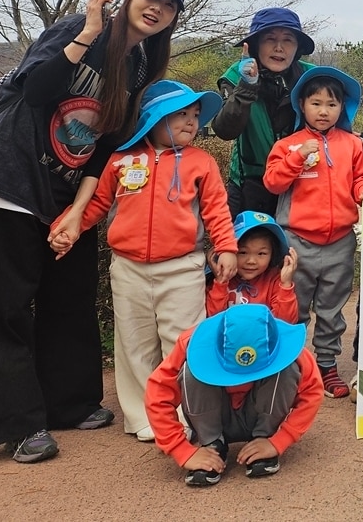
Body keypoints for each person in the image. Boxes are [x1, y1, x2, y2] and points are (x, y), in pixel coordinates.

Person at [0, 0, 184, 462]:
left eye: (169, 5)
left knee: (70, 295)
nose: (157, 8)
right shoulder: (79, 28)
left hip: (66, 192)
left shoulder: (141, 64)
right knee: (5, 304)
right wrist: (87, 33)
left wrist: (79, 213)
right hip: (9, 178)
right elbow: (35, 90)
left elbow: (105, 147)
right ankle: (17, 425)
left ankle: (68, 402)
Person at [49, 79, 239, 443]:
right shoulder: (121, 160)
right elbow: (96, 205)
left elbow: (217, 209)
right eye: (181, 114)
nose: (190, 122)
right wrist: (66, 230)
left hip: (182, 267)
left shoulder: (202, 162)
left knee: (182, 341)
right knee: (134, 343)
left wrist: (226, 246)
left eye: (195, 115)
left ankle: (186, 415)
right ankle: (142, 417)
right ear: (154, 118)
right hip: (128, 267)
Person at [263, 66, 363, 399]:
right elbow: (273, 182)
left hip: (340, 240)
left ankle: (327, 366)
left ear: (343, 108)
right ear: (301, 105)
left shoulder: (353, 144)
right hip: (296, 240)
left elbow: (360, 179)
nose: (324, 110)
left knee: (331, 309)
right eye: (316, 103)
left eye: (332, 104)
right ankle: (292, 367)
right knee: (293, 308)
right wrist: (297, 159)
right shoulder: (287, 145)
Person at [144, 304, 323, 486]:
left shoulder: (289, 347)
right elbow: (157, 394)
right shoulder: (192, 342)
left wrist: (279, 441)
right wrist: (182, 450)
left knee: (288, 368)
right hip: (214, 416)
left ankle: (262, 438)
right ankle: (213, 444)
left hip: (261, 414)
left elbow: (312, 392)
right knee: (191, 368)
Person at [211, 8, 316, 218]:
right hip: (249, 181)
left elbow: (330, 113)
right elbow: (225, 130)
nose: (279, 48)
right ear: (255, 44)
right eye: (270, 39)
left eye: (288, 40)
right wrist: (247, 86)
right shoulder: (235, 75)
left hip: (301, 177)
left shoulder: (310, 76)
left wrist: (347, 136)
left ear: (297, 48)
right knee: (244, 246)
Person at [206, 211, 299, 323]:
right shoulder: (222, 280)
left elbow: (286, 323)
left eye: (261, 253)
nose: (251, 261)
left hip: (264, 339)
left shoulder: (274, 281)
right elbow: (212, 321)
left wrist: (285, 285)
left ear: (272, 254)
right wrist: (221, 282)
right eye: (243, 252)